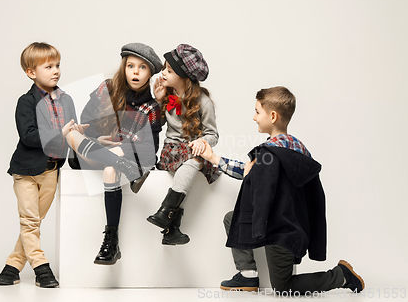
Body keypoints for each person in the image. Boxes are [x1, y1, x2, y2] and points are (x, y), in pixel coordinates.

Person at [198, 86, 365, 294]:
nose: (254, 117)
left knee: (283, 287)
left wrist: (216, 160)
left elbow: (249, 175)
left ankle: (340, 276)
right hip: (292, 225)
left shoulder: (269, 153)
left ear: (273, 116)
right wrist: (215, 159)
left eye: (258, 112)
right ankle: (248, 277)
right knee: (233, 219)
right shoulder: (299, 149)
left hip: (280, 230)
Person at [65, 43, 162, 265]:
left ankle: (111, 241)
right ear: (123, 67)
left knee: (111, 168)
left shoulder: (151, 107)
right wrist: (98, 140)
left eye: (142, 67)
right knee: (70, 134)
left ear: (150, 73)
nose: (135, 72)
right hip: (93, 152)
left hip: (124, 157)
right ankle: (119, 162)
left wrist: (119, 149)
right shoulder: (107, 89)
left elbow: (149, 150)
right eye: (130, 66)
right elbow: (86, 124)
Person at [0, 42, 78, 288]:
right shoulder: (26, 101)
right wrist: (59, 132)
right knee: (30, 222)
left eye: (58, 65)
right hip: (26, 171)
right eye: (48, 66)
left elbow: (70, 133)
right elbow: (29, 136)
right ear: (31, 73)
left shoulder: (67, 100)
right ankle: (42, 270)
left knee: (32, 223)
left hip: (52, 171)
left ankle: (12, 267)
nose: (56, 71)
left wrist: (80, 135)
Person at [146, 44, 220, 245]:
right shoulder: (169, 97)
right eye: (165, 68)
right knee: (193, 162)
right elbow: (158, 124)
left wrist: (202, 140)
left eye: (169, 71)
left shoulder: (203, 102)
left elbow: (213, 134)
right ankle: (169, 220)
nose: (163, 73)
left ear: (184, 77)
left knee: (195, 160)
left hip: (192, 150)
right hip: (170, 152)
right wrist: (159, 101)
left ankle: (168, 217)